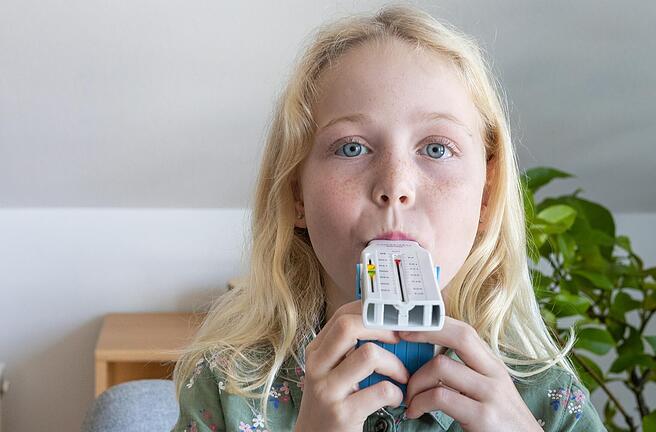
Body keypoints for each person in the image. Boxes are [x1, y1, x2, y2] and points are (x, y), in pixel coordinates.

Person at [171, 3, 605, 431]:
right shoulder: (227, 386)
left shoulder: (548, 404)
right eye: (352, 147)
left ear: (487, 195)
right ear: (295, 194)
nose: (395, 185)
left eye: (436, 148)